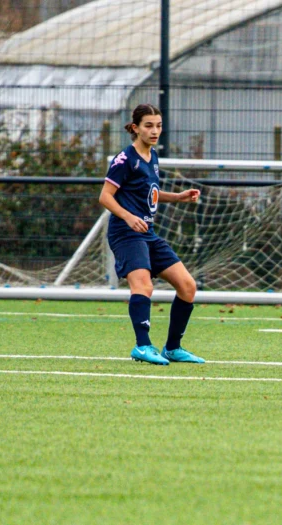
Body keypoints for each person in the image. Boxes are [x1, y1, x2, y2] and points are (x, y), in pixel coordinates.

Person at [99, 104, 204, 366]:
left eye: (158, 125)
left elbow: (150, 193)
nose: (155, 131)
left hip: (148, 233)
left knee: (188, 286)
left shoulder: (152, 156)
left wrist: (177, 197)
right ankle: (143, 346)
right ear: (135, 128)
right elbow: (105, 197)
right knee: (143, 286)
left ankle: (173, 348)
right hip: (126, 233)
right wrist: (128, 216)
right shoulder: (124, 159)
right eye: (148, 125)